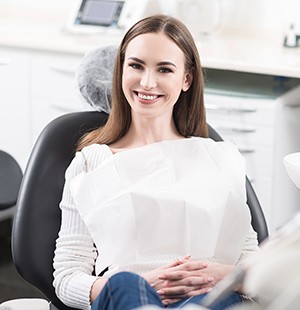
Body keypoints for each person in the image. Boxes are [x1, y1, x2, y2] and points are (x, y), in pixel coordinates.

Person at [53, 14, 259, 310]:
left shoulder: (220, 159)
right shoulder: (90, 163)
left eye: (164, 69)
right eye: (136, 65)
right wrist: (143, 284)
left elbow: (253, 264)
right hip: (130, 298)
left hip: (211, 296)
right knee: (123, 283)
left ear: (186, 79)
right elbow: (67, 278)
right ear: (121, 70)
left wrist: (216, 275)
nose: (147, 82)